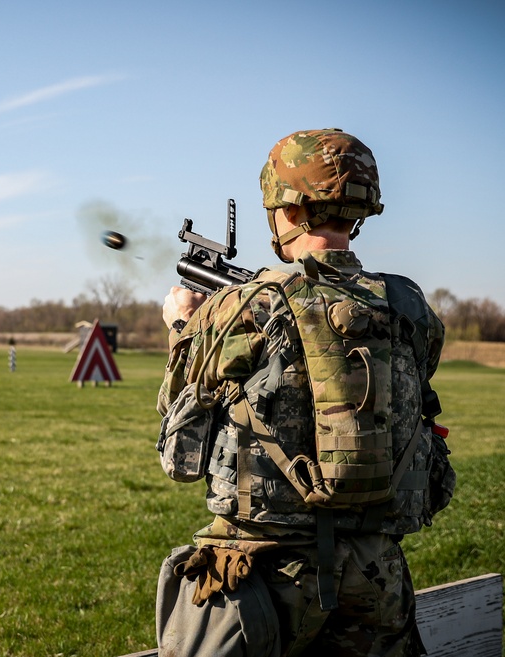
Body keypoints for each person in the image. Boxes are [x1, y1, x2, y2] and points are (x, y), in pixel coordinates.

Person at [153, 129, 455, 657]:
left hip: (263, 585)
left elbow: (178, 452)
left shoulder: (245, 308)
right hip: (376, 574)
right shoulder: (410, 308)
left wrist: (183, 327)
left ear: (288, 209)